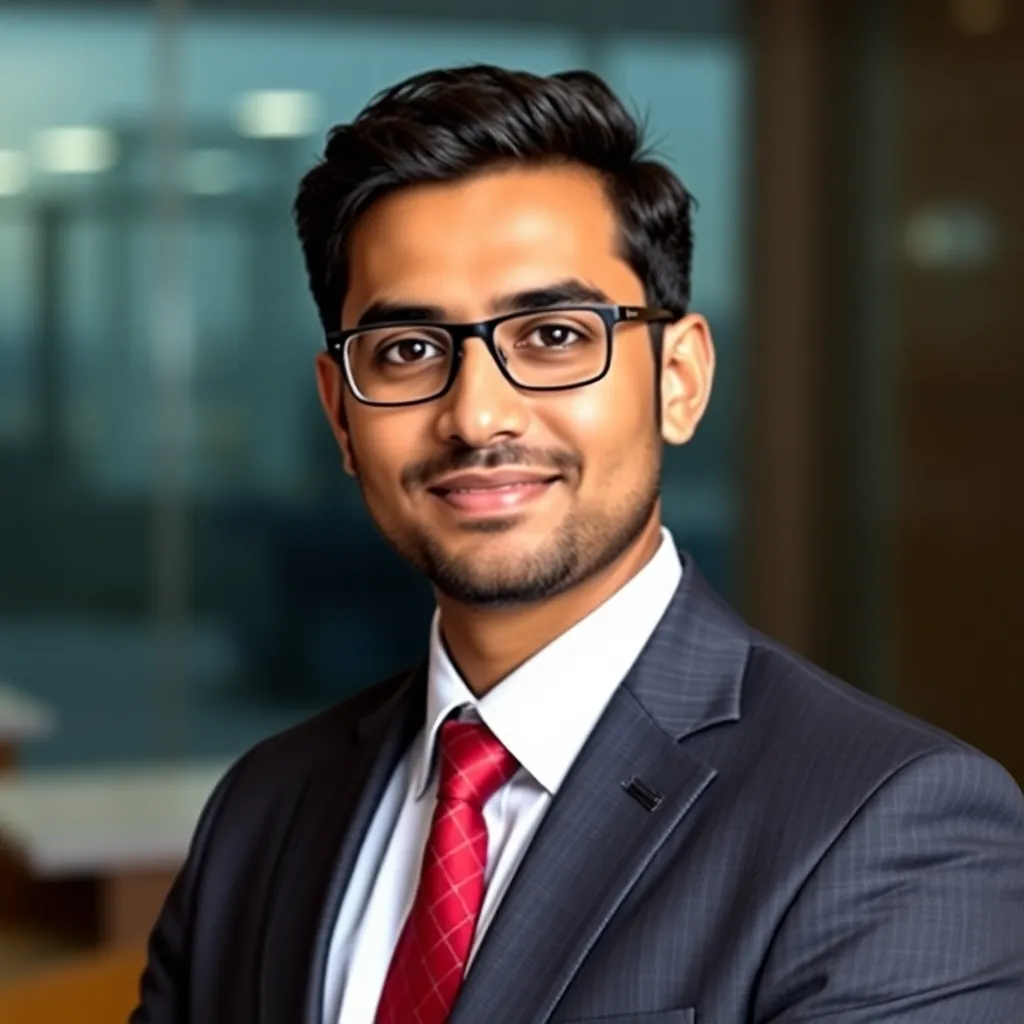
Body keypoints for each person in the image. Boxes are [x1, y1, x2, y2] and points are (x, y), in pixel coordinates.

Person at [131, 65, 1024, 1024]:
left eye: (554, 334)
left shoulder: (892, 827)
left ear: (677, 379)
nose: (477, 416)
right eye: (408, 352)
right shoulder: (265, 809)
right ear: (341, 418)